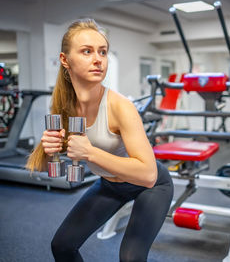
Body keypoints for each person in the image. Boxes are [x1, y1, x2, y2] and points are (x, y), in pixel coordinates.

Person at [26, 18, 174, 262]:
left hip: (152, 186)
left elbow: (148, 174)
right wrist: (48, 149)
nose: (98, 59)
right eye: (87, 51)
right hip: (110, 184)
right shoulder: (64, 105)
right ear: (65, 60)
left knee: (130, 258)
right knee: (62, 246)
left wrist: (90, 153)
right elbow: (43, 168)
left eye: (102, 52)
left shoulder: (120, 107)